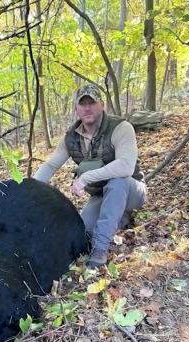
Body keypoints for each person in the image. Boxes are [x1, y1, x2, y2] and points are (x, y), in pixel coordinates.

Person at [33, 84, 147, 268]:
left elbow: (126, 166)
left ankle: (100, 251)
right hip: (100, 195)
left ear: (102, 105)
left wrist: (85, 178)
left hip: (131, 189)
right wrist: (30, 186)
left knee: (117, 183)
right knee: (84, 230)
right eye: (82, 104)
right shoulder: (71, 138)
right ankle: (123, 218)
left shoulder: (121, 128)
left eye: (92, 103)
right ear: (76, 108)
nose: (87, 108)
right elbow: (51, 164)